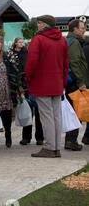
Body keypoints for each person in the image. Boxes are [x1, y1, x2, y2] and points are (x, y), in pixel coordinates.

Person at [26, 15, 68, 158]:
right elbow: (65, 64)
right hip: (57, 83)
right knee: (56, 116)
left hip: (41, 83)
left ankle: (50, 147)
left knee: (47, 116)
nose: (37, 25)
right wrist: (62, 82)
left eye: (39, 23)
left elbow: (31, 62)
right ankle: (56, 147)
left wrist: (28, 78)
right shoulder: (62, 40)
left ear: (44, 25)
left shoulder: (38, 39)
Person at [7, 37, 44, 146]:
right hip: (26, 86)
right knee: (28, 111)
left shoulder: (32, 54)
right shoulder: (24, 54)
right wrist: (20, 87)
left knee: (38, 113)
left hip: (37, 86)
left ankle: (39, 137)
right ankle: (26, 137)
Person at [64, 19, 88, 151]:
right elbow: (74, 63)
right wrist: (81, 82)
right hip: (74, 84)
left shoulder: (74, 41)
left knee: (74, 111)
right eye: (82, 27)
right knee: (76, 112)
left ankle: (70, 140)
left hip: (73, 83)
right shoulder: (74, 43)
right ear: (75, 29)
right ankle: (71, 141)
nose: (83, 29)